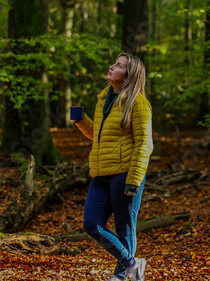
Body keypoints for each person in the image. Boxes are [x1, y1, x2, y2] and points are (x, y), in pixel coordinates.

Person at [73, 53, 153, 281]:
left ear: (129, 76)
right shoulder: (103, 99)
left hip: (125, 173)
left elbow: (144, 144)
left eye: (119, 65)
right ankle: (132, 264)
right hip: (100, 173)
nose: (111, 66)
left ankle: (121, 276)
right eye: (114, 63)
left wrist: (134, 179)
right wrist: (81, 120)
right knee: (92, 224)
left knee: (124, 227)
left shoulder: (139, 103)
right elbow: (98, 135)